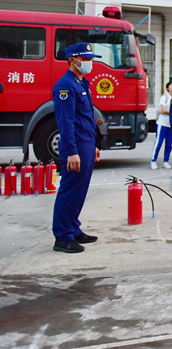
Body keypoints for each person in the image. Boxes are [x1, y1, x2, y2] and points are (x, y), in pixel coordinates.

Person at [51, 43, 102, 253]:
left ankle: (73, 228)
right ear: (73, 60)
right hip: (76, 146)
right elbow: (66, 123)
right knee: (70, 190)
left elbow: (87, 119)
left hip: (86, 144)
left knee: (80, 190)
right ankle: (62, 236)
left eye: (91, 59)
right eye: (86, 59)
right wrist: (72, 151)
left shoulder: (81, 83)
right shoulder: (65, 86)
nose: (90, 63)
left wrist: (94, 146)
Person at [151, 81, 172, 170]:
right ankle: (153, 160)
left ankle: (166, 161)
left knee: (169, 144)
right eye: (171, 85)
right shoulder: (164, 97)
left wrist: (168, 112)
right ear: (167, 88)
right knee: (159, 142)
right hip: (162, 123)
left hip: (171, 124)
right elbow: (163, 109)